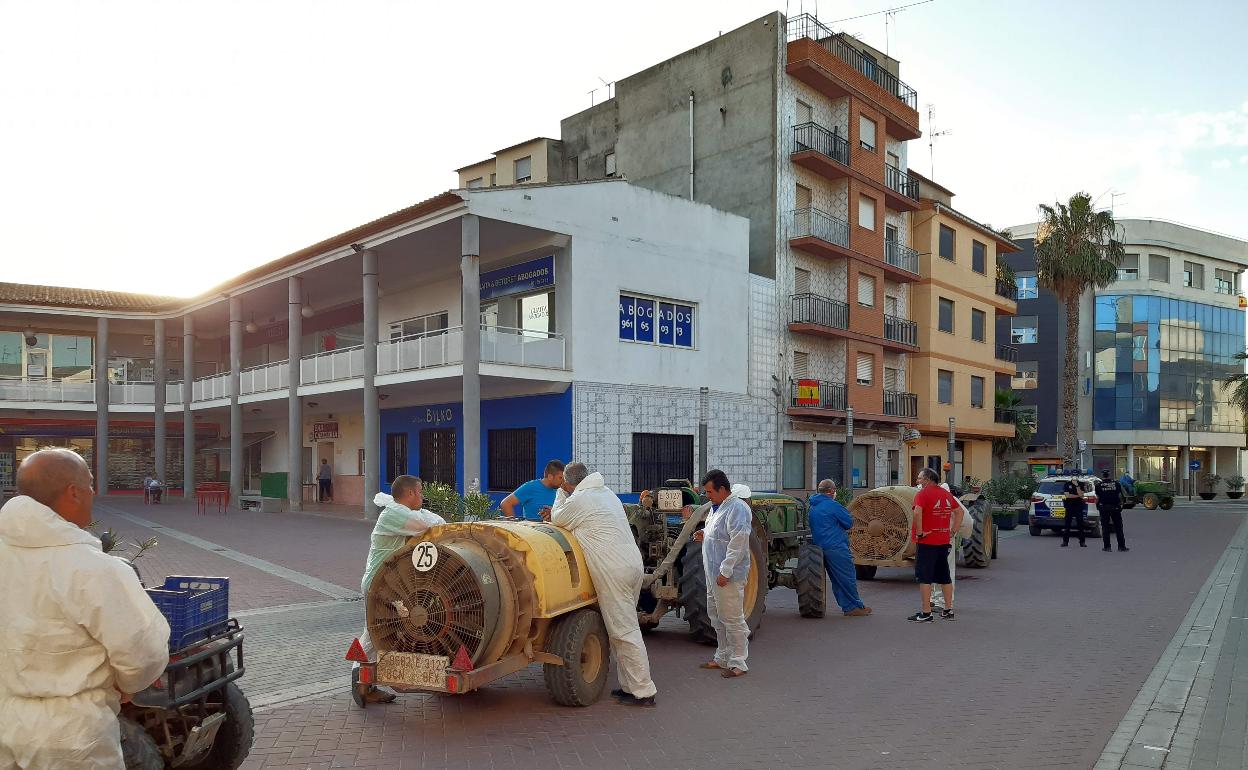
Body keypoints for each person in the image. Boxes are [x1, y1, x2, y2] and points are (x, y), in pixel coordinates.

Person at [0, 448, 170, 769]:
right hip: (71, 736)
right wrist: (127, 685)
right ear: (74, 493)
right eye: (90, 484)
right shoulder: (97, 569)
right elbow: (143, 653)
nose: (93, 493)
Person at [551, 462, 657, 706]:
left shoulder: (581, 499)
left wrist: (560, 494)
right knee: (622, 628)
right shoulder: (606, 493)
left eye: (565, 484)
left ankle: (643, 690)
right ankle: (630, 686)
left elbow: (558, 518)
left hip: (614, 570)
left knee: (624, 631)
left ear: (569, 483)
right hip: (631, 565)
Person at [353, 475, 447, 704]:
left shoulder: (399, 512)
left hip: (387, 585)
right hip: (380, 585)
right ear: (411, 494)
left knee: (377, 632)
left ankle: (365, 685)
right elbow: (433, 524)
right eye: (421, 492)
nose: (423, 497)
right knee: (379, 632)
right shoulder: (395, 514)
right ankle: (363, 682)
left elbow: (430, 519)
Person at [693, 469, 752, 678]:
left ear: (722, 489)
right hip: (713, 573)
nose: (707, 496)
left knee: (732, 618)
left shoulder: (738, 508)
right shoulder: (717, 508)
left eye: (710, 491)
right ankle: (722, 656)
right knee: (716, 617)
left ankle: (738, 662)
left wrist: (725, 571)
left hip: (728, 576)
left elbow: (738, 543)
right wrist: (705, 534)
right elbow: (720, 535)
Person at [808, 479, 871, 616]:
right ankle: (854, 606)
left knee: (836, 580)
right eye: (834, 489)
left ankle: (848, 606)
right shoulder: (833, 505)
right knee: (847, 578)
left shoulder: (812, 506)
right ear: (831, 491)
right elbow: (848, 523)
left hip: (820, 546)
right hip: (836, 546)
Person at [908, 467, 963, 622]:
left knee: (925, 578)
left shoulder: (922, 494)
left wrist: (920, 532)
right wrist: (954, 530)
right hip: (943, 541)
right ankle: (948, 609)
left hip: (927, 541)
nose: (918, 481)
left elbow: (917, 513)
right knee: (944, 576)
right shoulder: (946, 494)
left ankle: (926, 613)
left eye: (919, 478)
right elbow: (960, 512)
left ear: (927, 479)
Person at [931, 480, 972, 613]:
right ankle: (939, 600)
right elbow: (967, 521)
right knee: (944, 569)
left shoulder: (930, 498)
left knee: (938, 569)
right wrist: (958, 532)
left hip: (935, 538)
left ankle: (939, 601)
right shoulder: (951, 499)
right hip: (943, 538)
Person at [1097, 470, 1130, 553]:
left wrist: (1098, 506)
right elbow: (1120, 496)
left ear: (1102, 476)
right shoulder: (1116, 484)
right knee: (1118, 528)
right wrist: (1121, 505)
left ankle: (1107, 547)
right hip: (1115, 508)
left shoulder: (1098, 485)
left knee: (1105, 528)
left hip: (1104, 508)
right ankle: (1121, 546)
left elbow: (1097, 498)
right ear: (1109, 475)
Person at [1061, 471, 1088, 548]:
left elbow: (1082, 495)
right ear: (1071, 476)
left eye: (1076, 475)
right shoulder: (1067, 484)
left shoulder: (1081, 484)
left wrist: (1077, 486)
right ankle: (1065, 542)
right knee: (1067, 525)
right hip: (1069, 506)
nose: (1075, 477)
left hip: (1078, 506)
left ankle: (1082, 542)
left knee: (1080, 524)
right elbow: (1067, 495)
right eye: (1073, 475)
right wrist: (1078, 496)